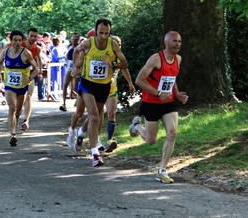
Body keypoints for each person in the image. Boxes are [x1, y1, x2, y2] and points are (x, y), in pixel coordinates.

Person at [128, 31, 188, 183]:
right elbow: (139, 80)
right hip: (151, 103)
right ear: (166, 43)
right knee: (151, 141)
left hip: (168, 103)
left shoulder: (178, 59)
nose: (177, 44)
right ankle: (136, 127)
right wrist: (158, 93)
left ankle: (162, 170)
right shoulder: (156, 59)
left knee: (172, 133)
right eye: (174, 41)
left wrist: (177, 94)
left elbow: (171, 78)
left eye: (179, 41)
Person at [71, 19, 128, 167]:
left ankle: (80, 134)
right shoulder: (88, 43)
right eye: (101, 33)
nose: (103, 36)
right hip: (88, 84)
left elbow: (125, 63)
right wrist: (75, 66)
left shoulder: (113, 44)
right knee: (95, 117)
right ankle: (95, 154)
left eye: (106, 33)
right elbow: (76, 50)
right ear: (96, 32)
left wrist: (113, 64)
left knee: (95, 116)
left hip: (104, 86)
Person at [0, 30, 38, 147]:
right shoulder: (5, 51)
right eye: (15, 40)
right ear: (11, 40)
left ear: (22, 41)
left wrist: (29, 78)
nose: (17, 42)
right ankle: (12, 135)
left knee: (18, 111)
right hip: (9, 86)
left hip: (22, 87)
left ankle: (17, 122)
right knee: (12, 107)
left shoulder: (26, 53)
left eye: (20, 40)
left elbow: (36, 69)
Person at [102, 35, 136, 152]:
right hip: (98, 90)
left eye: (120, 43)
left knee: (111, 114)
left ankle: (109, 141)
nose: (118, 45)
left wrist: (130, 84)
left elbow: (125, 69)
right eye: (116, 43)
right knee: (96, 116)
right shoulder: (104, 55)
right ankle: (94, 140)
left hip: (112, 90)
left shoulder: (120, 58)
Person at [19, 28, 43, 131]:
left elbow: (39, 60)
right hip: (17, 74)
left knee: (28, 97)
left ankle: (26, 120)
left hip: (29, 75)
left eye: (35, 36)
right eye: (31, 36)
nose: (33, 38)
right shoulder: (20, 45)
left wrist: (40, 73)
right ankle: (16, 114)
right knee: (19, 100)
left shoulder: (37, 48)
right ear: (27, 36)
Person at [59, 32, 80, 111]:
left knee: (75, 87)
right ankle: (64, 103)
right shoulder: (69, 46)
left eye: (75, 39)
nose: (74, 40)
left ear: (78, 39)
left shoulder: (80, 47)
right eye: (72, 38)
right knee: (65, 84)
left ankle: (78, 101)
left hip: (77, 67)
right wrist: (67, 62)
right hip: (70, 67)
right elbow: (66, 56)